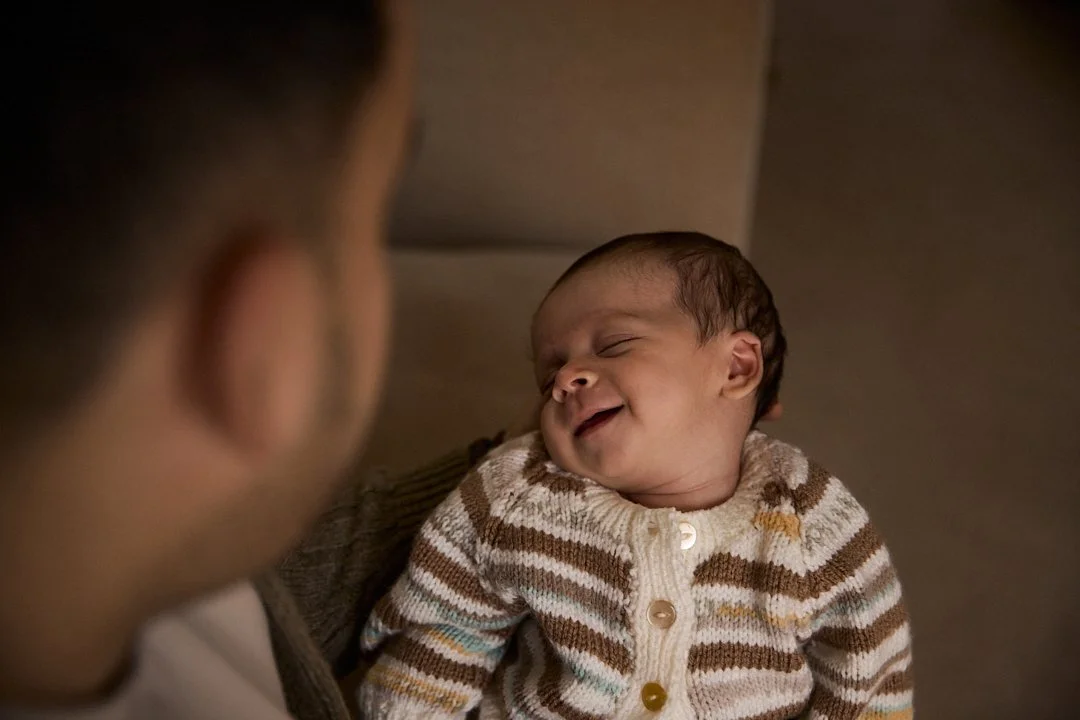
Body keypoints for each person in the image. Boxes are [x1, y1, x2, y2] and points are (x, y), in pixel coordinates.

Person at [0, 2, 499, 719]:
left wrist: (508, 467)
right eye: (378, 212)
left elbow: (277, 586)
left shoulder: (130, 555)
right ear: (265, 343)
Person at [358, 232, 914, 719]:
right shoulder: (516, 495)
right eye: (549, 372)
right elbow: (446, 628)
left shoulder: (812, 520)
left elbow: (869, 675)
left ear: (736, 367)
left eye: (615, 345)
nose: (566, 380)